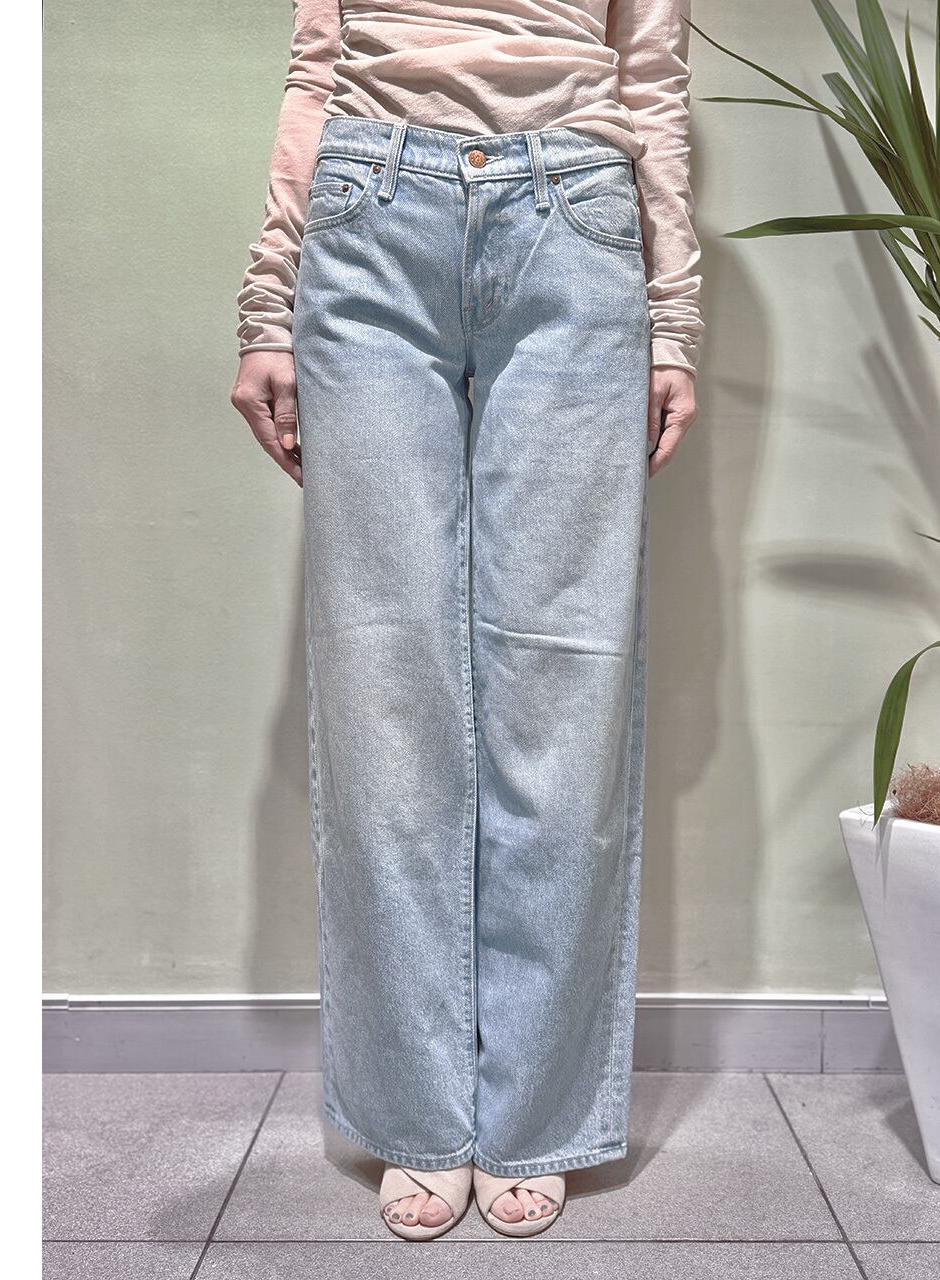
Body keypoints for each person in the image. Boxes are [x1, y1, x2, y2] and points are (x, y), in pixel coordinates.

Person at [230, 0, 702, 1241]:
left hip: (573, 214)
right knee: (384, 681)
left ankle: (536, 1111)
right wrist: (269, 300)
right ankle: (415, 1110)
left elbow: (650, 76)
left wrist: (673, 317)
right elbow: (317, 62)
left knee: (563, 685)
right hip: (368, 211)